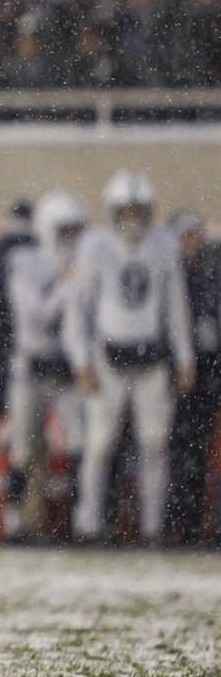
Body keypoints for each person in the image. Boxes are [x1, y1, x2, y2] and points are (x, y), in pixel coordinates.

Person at [65, 172, 194, 544]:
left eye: (140, 210)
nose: (133, 217)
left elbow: (176, 306)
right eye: (127, 210)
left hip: (151, 359)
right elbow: (79, 311)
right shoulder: (95, 246)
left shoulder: (163, 244)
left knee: (155, 443)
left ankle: (153, 528)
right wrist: (82, 362)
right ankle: (88, 524)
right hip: (108, 360)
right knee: (99, 444)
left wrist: (184, 358)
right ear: (113, 210)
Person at [3, 191, 87, 539]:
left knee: (79, 444)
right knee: (24, 449)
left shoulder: (83, 260)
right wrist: (66, 290)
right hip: (31, 367)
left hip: (67, 368)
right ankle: (15, 521)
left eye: (74, 231)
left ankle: (77, 520)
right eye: (63, 230)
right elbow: (36, 315)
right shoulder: (24, 260)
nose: (70, 238)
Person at [166, 211, 221, 544]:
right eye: (186, 237)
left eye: (195, 236)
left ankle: (193, 525)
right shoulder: (168, 274)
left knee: (200, 454)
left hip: (207, 373)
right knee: (174, 450)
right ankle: (175, 524)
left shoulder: (209, 276)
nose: (192, 244)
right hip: (174, 376)